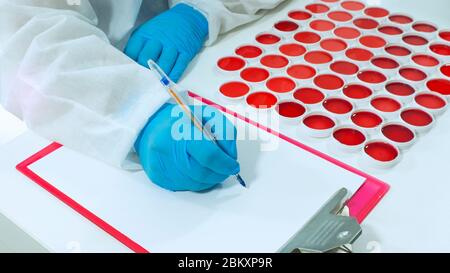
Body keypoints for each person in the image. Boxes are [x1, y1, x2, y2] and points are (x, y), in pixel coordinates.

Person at [0, 0, 284, 191]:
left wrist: (202, 9)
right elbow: (24, 37)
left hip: (188, 55)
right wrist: (135, 111)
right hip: (85, 84)